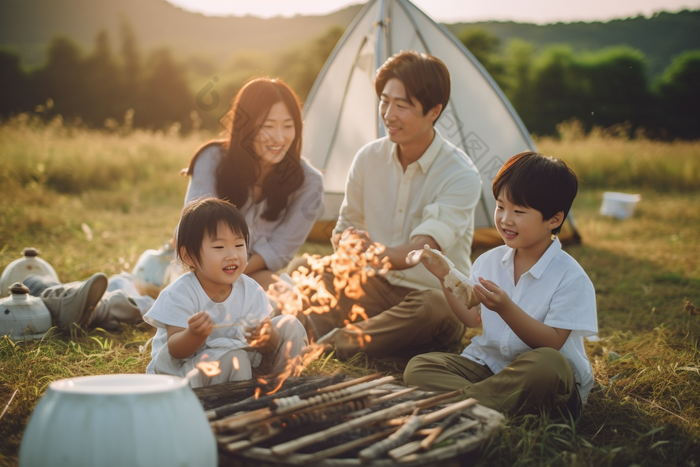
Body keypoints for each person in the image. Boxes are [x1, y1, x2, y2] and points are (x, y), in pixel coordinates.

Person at [289, 51, 482, 359]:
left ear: (434, 111)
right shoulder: (368, 158)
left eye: (401, 106)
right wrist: (349, 244)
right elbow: (343, 230)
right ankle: (346, 339)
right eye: (384, 101)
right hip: (373, 290)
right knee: (303, 269)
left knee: (435, 308)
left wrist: (373, 253)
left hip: (424, 300)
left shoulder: (460, 174)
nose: (388, 114)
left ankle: (331, 343)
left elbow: (423, 251)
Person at [403, 152, 598, 419]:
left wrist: (507, 308)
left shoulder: (570, 277)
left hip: (539, 374)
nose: (505, 219)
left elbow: (552, 343)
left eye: (518, 211)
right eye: (500, 206)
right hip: (490, 366)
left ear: (554, 219)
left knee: (549, 364)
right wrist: (443, 277)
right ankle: (491, 405)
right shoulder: (488, 261)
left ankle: (466, 404)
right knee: (419, 367)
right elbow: (471, 317)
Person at [144, 198, 308, 388]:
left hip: (244, 365)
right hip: (187, 373)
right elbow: (176, 350)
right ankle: (234, 401)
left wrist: (266, 337)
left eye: (239, 245)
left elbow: (268, 346)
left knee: (290, 325)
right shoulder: (180, 293)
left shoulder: (251, 290)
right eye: (219, 247)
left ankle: (283, 384)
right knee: (233, 357)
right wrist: (194, 335)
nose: (232, 255)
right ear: (189, 256)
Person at [185, 77, 324, 293]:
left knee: (286, 297)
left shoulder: (309, 182)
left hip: (252, 271)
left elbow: (281, 248)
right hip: (202, 267)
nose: (279, 138)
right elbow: (197, 228)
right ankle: (119, 302)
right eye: (267, 126)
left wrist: (236, 273)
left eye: (288, 126)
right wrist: (220, 275)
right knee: (182, 303)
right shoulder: (212, 159)